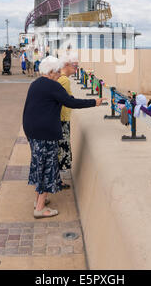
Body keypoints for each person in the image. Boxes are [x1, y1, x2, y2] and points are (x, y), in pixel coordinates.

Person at [23, 56, 105, 219]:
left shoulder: (35, 84)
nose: (59, 74)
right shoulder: (53, 85)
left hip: (32, 131)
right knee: (48, 167)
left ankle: (37, 200)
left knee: (39, 164)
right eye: (57, 71)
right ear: (52, 71)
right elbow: (70, 102)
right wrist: (94, 102)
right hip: (45, 133)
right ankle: (39, 208)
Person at [57, 52, 78, 189]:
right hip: (62, 119)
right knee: (61, 151)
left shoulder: (60, 78)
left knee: (58, 151)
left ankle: (57, 180)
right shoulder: (64, 80)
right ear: (66, 65)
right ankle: (58, 181)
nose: (76, 68)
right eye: (75, 65)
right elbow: (67, 101)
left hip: (60, 119)